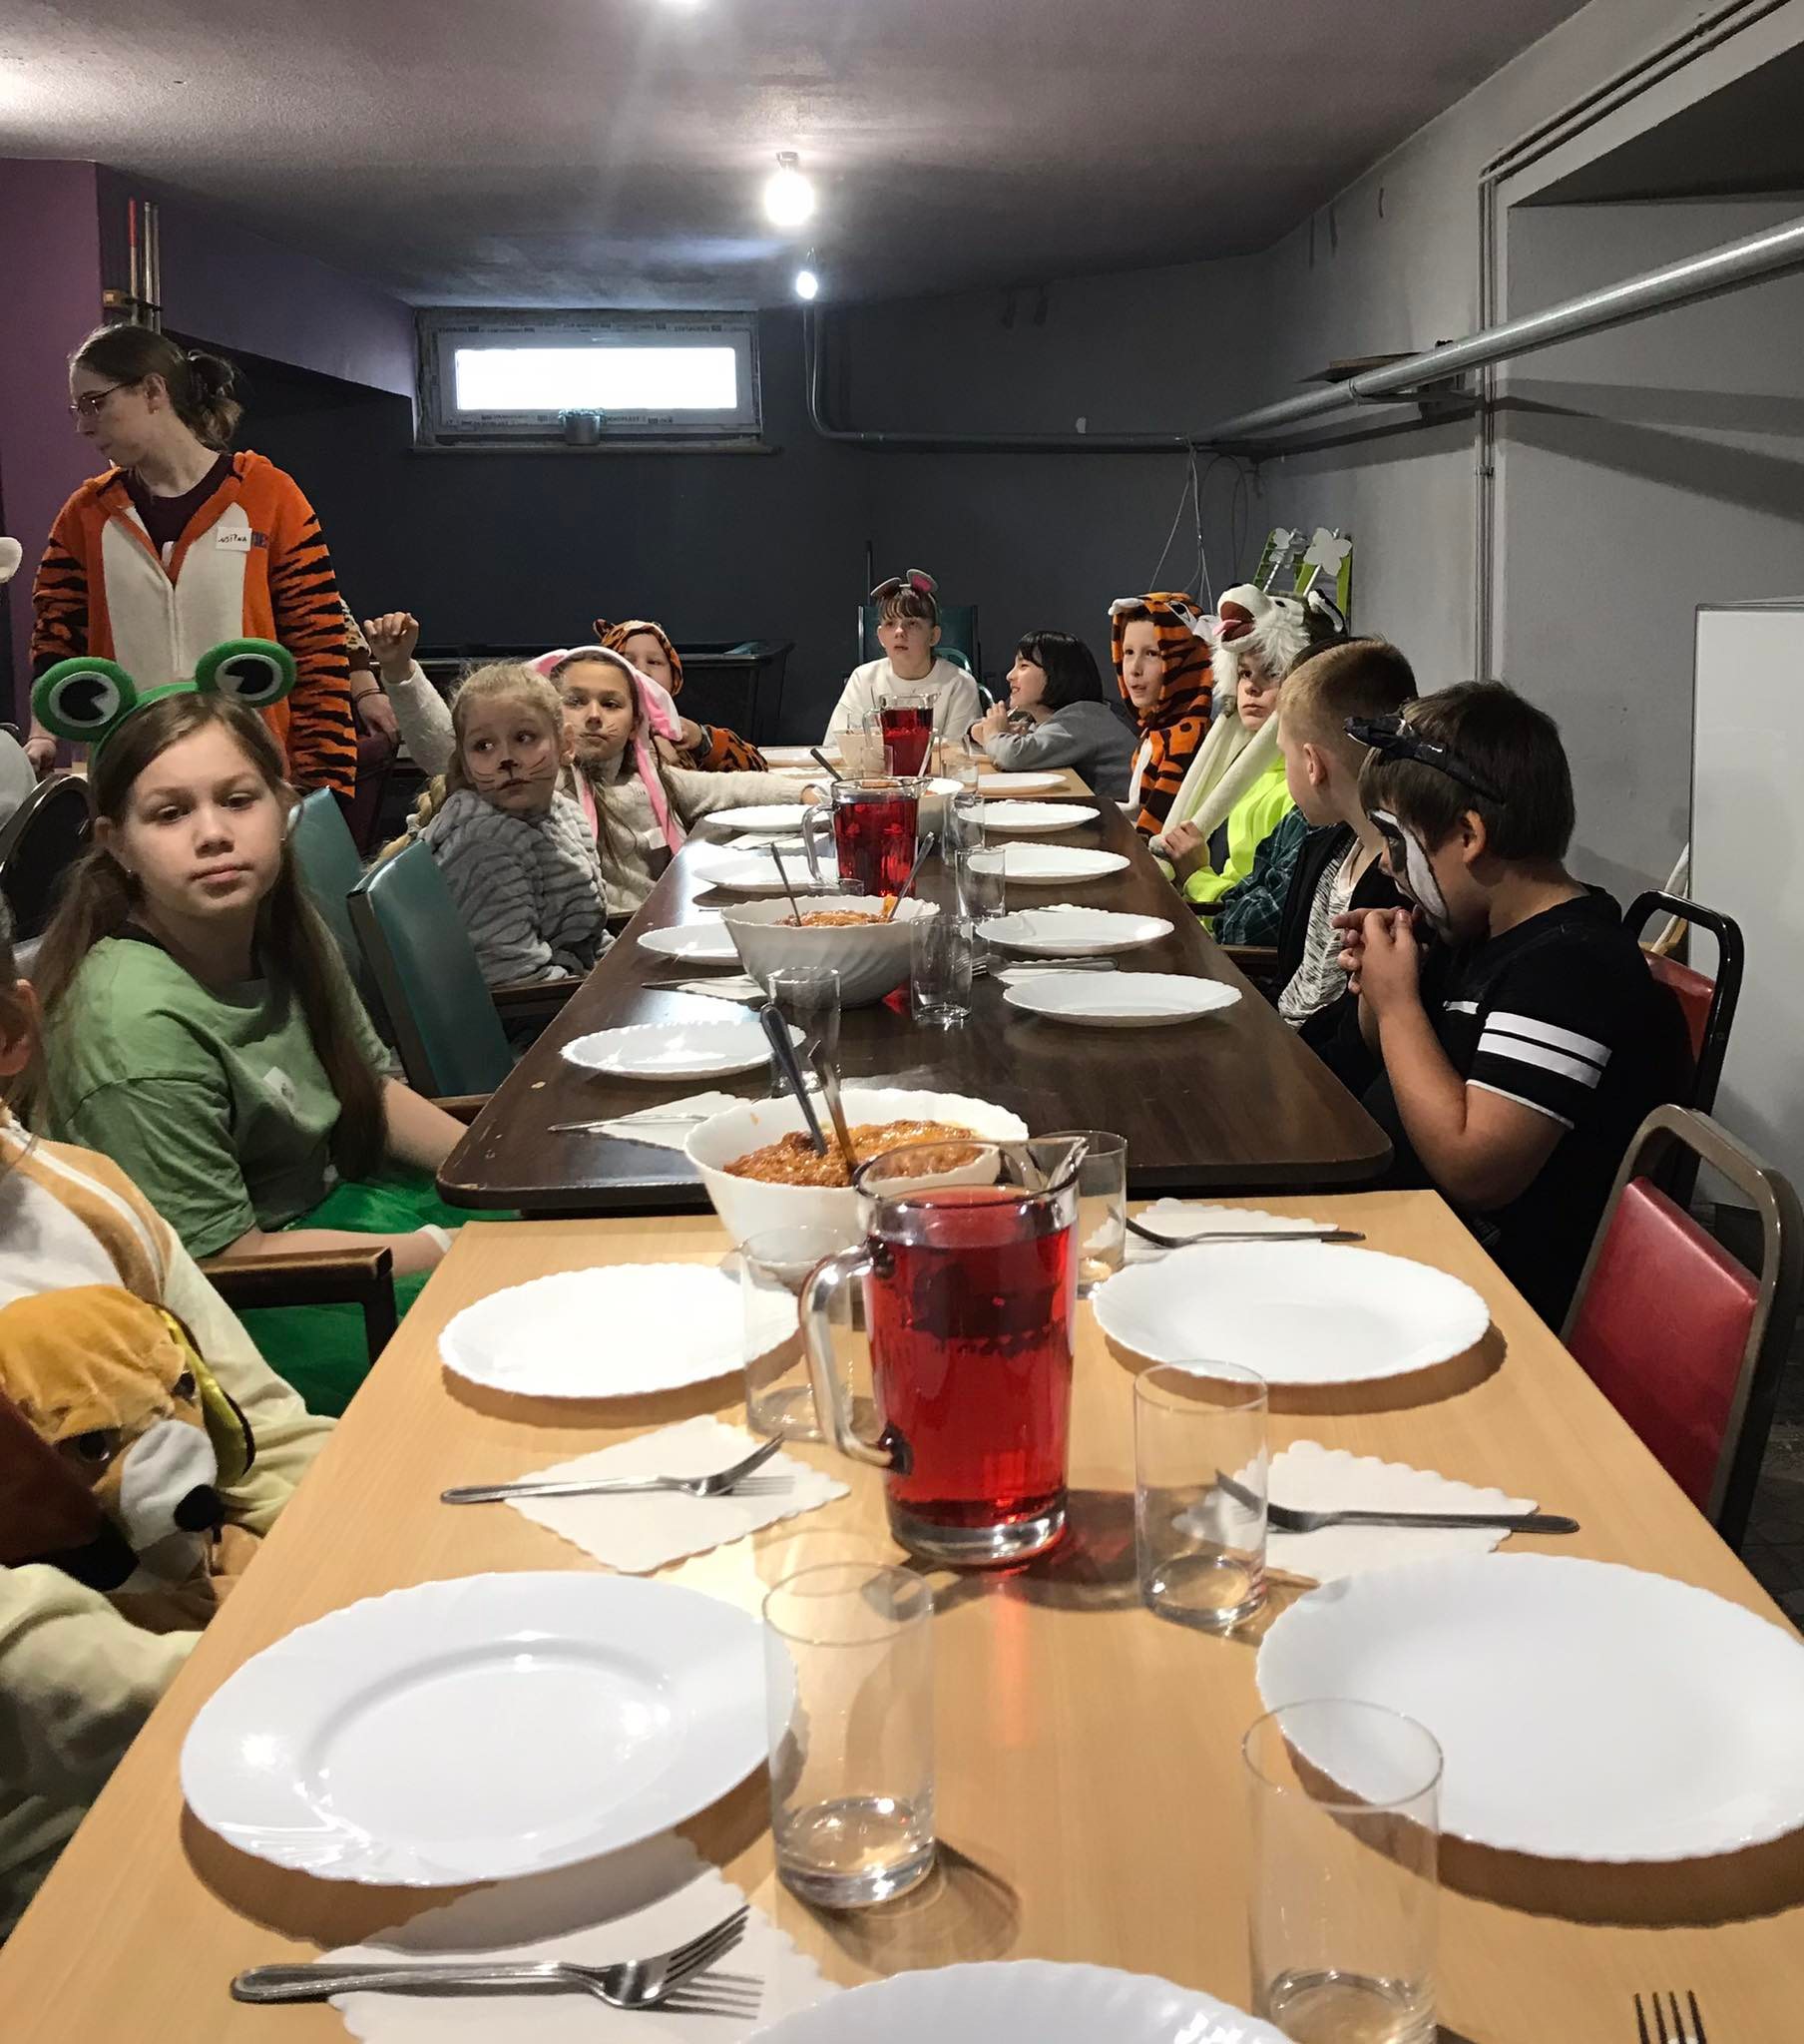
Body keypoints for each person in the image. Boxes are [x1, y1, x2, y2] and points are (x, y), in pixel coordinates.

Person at [25, 643, 470, 1416]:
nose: (213, 833)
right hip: (244, 1313)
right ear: (116, 843)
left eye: (237, 800)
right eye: (170, 813)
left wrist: (490, 1173)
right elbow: (220, 1261)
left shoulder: (282, 928)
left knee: (553, 1235)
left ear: (283, 807)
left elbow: (370, 1088)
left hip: (341, 1221)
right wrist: (441, 1247)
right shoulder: (132, 1024)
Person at [0, 907, 331, 1935]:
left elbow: (263, 1431)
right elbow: (35, 1668)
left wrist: (364, 1567)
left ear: (9, 1035)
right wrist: (296, 1685)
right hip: (62, 1817)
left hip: (252, 1661)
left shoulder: (83, 1198)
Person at [1340, 682, 1692, 1325]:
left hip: (1490, 1302)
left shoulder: (1570, 968)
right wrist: (1382, 983)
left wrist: (1397, 1006)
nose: (1388, 866)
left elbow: (1476, 1168)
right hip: (1414, 1245)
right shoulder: (1476, 930)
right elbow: (1401, 1068)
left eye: (1396, 842)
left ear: (1468, 835)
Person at [26, 324, 356, 796]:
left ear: (152, 391)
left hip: (252, 778)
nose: (83, 425)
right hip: (132, 781)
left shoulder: (270, 495)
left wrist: (324, 787)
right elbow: (56, 643)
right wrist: (43, 735)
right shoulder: (84, 515)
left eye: (95, 403)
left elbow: (318, 648)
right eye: (78, 409)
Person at [372, 629, 807, 923]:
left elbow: (733, 788)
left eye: (611, 704)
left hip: (655, 928)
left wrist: (806, 793)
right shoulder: (544, 786)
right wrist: (400, 672)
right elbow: (446, 749)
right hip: (608, 942)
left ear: (636, 722)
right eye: (576, 701)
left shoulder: (651, 781)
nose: (594, 716)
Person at [411, 663, 609, 985]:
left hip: (568, 989)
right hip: (526, 1010)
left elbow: (589, 937)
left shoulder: (567, 814)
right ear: (466, 764)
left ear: (566, 745)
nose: (506, 759)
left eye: (524, 737)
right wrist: (612, 992)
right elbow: (515, 978)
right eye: (483, 746)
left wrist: (631, 972)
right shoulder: (482, 847)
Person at [1264, 639, 1416, 1045]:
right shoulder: (1324, 850)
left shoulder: (1403, 887)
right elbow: (1289, 979)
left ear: (1312, 764)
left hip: (1310, 1069)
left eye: (1285, 756)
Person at [1161, 632, 1294, 913]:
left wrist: (1197, 877)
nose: (1252, 687)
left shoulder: (1296, 790)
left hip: (1223, 927)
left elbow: (1262, 916)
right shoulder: (1240, 768)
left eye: (1272, 672)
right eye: (1244, 673)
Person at [964, 631, 1135, 799]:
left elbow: (1011, 756)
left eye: (1023, 666)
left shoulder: (1081, 719)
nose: (1009, 676)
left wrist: (994, 734)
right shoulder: (1047, 718)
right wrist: (983, 731)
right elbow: (985, 734)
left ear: (1058, 674)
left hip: (1122, 816)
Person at [823, 570, 980, 747]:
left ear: (933, 636)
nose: (899, 632)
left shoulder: (960, 684)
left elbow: (958, 753)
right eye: (890, 624)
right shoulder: (862, 679)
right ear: (881, 636)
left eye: (912, 623)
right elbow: (835, 747)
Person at [594, 617, 766, 771]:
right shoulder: (595, 730)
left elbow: (757, 768)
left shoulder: (682, 732)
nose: (642, 671)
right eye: (627, 661)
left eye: (654, 662)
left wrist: (702, 740)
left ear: (674, 678)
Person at [1109, 591, 1215, 836]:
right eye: (1128, 652)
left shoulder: (1186, 738)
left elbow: (1153, 834)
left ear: (1183, 660)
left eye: (1152, 654)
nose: (1134, 669)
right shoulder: (1157, 729)